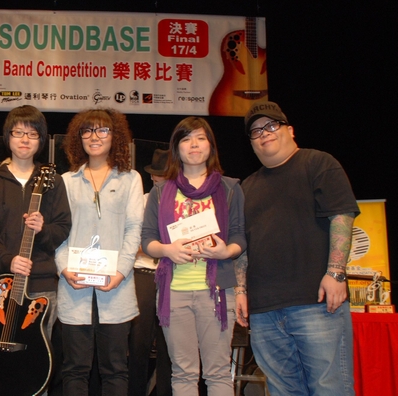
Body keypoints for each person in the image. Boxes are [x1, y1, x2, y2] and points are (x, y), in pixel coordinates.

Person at [240, 101, 359, 395]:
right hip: (264, 311)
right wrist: (240, 290)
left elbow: (341, 216)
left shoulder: (319, 163)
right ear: (251, 143)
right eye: (256, 131)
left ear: (290, 130)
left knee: (330, 389)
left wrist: (336, 273)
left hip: (316, 303)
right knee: (282, 391)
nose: (264, 133)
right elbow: (241, 247)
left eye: (271, 125)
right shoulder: (246, 188)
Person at [141, 117, 247, 396]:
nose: (194, 145)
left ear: (211, 145)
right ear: (177, 148)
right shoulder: (161, 191)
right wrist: (167, 250)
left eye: (201, 138)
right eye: (186, 139)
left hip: (217, 292)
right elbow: (147, 240)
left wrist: (226, 251)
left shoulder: (230, 188)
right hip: (174, 292)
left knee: (218, 372)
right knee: (183, 373)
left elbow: (239, 236)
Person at [55, 108, 143, 396]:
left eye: (102, 129)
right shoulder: (66, 181)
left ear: (114, 135)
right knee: (74, 369)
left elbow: (134, 229)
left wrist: (121, 271)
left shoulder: (130, 179)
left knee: (115, 369)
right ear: (78, 137)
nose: (95, 136)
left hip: (117, 288)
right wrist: (64, 267)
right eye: (88, 130)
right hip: (74, 286)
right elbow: (58, 232)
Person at [0, 104, 71, 346]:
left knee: (36, 355)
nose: (25, 140)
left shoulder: (53, 181)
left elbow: (63, 228)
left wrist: (43, 230)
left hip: (41, 285)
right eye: (18, 132)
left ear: (41, 140)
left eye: (32, 134)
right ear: (8, 137)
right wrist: (8, 260)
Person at [128, 148, 172, 396]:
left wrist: (156, 247)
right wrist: (159, 247)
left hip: (172, 273)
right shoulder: (143, 201)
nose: (157, 179)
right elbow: (131, 243)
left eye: (162, 174)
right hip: (143, 273)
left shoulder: (181, 203)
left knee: (169, 342)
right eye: (155, 174)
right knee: (139, 341)